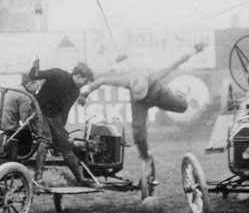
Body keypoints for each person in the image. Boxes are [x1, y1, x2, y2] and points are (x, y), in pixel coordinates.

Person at [77, 42, 206, 166]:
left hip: (159, 94)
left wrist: (194, 50)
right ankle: (145, 155)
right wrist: (84, 93)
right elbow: (101, 81)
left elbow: (176, 63)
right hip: (140, 104)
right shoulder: (125, 81)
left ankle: (177, 95)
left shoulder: (154, 76)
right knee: (138, 131)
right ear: (131, 87)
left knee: (183, 107)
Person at [28, 60, 96, 188]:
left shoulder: (75, 92)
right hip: (38, 110)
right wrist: (35, 67)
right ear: (78, 76)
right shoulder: (57, 74)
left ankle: (80, 178)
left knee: (65, 146)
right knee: (46, 139)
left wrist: (62, 134)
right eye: (84, 82)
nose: (84, 85)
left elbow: (63, 114)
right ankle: (38, 177)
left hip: (53, 117)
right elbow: (34, 76)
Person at [0, 74, 50, 180]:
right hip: (7, 130)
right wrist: (38, 133)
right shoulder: (25, 97)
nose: (38, 89)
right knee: (28, 137)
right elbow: (26, 121)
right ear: (30, 84)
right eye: (37, 86)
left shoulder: (13, 89)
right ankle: (19, 161)